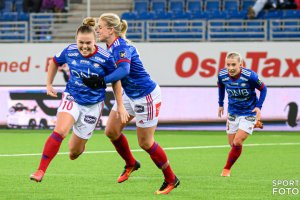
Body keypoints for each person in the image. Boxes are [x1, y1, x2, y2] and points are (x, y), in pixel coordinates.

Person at [29, 17, 129, 182]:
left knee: (74, 152)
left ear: (95, 41)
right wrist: (48, 84)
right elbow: (54, 62)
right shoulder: (69, 50)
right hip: (72, 97)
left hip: (93, 105)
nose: (84, 46)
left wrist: (120, 105)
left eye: (88, 43)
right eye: (81, 42)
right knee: (60, 131)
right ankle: (40, 170)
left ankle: (79, 147)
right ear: (76, 40)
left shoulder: (105, 57)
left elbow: (116, 80)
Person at [94, 13, 180, 195]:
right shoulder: (109, 48)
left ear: (111, 30)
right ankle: (131, 163)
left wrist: (100, 80)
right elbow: (117, 80)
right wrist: (121, 103)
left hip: (146, 96)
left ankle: (171, 179)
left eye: (100, 27)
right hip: (130, 94)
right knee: (111, 131)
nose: (97, 30)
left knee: (146, 143)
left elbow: (123, 71)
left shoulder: (121, 47)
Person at [217, 52, 267, 177]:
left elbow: (263, 89)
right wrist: (220, 103)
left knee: (237, 142)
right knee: (232, 144)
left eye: (234, 64)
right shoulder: (222, 75)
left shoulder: (250, 76)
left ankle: (226, 169)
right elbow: (221, 86)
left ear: (241, 64)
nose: (231, 68)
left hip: (249, 112)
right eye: (228, 65)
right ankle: (254, 125)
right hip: (233, 112)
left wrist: (258, 107)